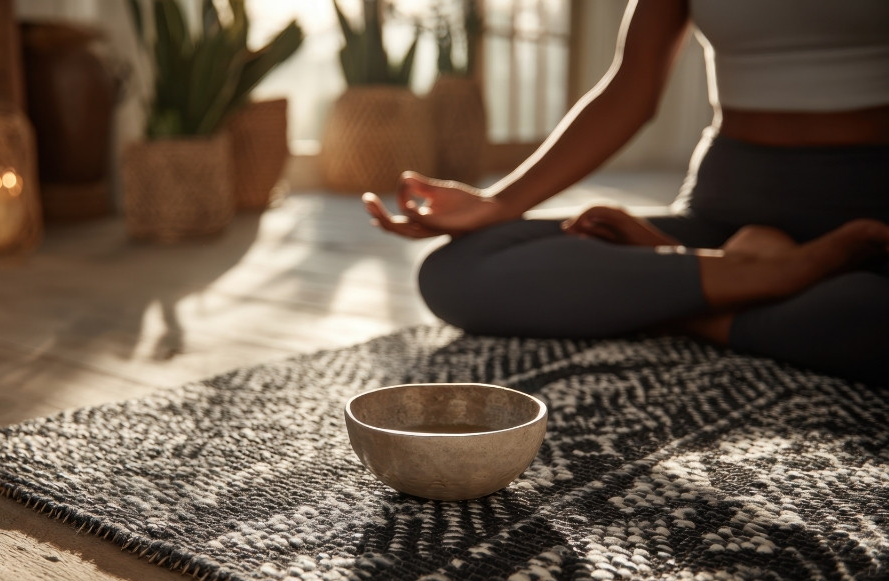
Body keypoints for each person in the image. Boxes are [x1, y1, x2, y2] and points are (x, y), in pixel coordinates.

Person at [362, 0, 889, 384]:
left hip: (871, 211)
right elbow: (629, 87)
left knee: (867, 308)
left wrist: (660, 276)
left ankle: (713, 291)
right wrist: (499, 203)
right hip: (726, 208)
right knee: (457, 272)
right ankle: (765, 273)